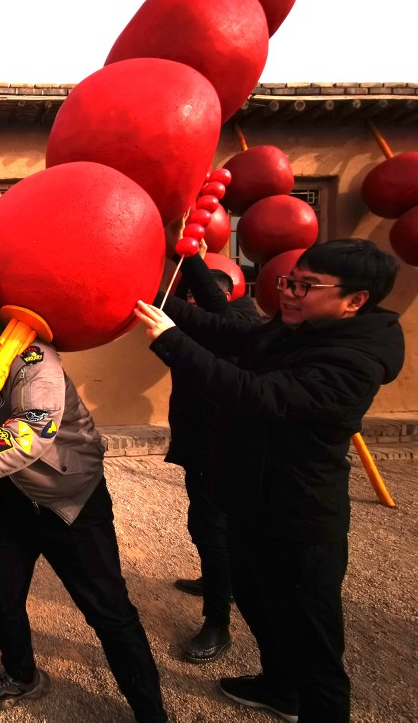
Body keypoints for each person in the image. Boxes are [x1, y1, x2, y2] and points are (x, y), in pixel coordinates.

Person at [134, 239, 405, 723]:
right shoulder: (298, 327)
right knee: (261, 606)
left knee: (313, 645)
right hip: (251, 501)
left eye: (306, 286)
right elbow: (226, 331)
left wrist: (170, 341)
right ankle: (280, 689)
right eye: (288, 281)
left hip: (298, 518)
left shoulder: (354, 360)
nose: (290, 293)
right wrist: (144, 294)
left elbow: (255, 394)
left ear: (355, 300)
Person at [0, 273, 168, 722]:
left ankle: (150, 711)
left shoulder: (35, 355)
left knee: (109, 612)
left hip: (71, 499)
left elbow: (30, 429)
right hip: (11, 500)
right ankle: (22, 674)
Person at [166, 253, 259, 664]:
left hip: (224, 449)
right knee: (203, 526)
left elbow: (219, 318)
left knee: (212, 529)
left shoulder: (244, 323)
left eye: (209, 297)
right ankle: (217, 582)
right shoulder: (191, 329)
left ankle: (217, 622)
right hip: (197, 445)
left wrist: (188, 261)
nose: (199, 308)